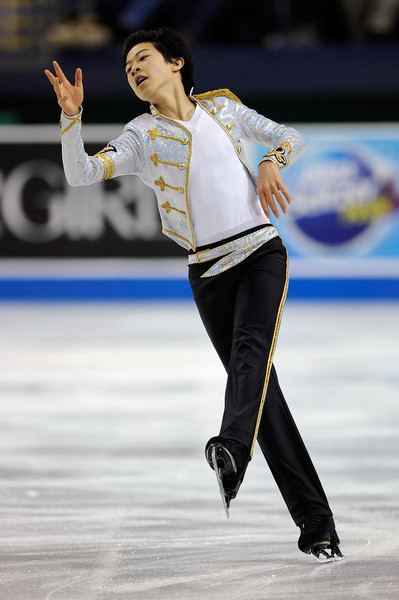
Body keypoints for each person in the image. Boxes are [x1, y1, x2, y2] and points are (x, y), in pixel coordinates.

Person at [44, 27, 343, 561]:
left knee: (250, 356)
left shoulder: (223, 108)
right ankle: (316, 524)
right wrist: (72, 118)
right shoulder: (140, 134)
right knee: (261, 395)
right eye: (127, 65)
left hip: (259, 253)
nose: (134, 68)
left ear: (176, 62)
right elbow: (80, 173)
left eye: (143, 57)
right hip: (206, 273)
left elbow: (290, 135)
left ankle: (230, 448)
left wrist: (271, 159)